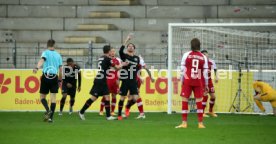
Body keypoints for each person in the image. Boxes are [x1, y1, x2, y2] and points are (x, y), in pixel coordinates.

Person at [78, 45, 122, 121]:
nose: (112, 52)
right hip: (101, 80)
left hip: (101, 79)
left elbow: (106, 67)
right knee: (94, 98)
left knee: (105, 97)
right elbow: (117, 68)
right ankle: (81, 111)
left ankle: (108, 116)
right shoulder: (108, 58)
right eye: (111, 51)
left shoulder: (101, 58)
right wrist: (123, 64)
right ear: (108, 51)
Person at [175, 38, 208, 129]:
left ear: (191, 45)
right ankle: (200, 123)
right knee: (199, 102)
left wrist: (182, 80)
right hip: (198, 81)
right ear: (199, 45)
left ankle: (184, 123)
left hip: (188, 80)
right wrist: (206, 84)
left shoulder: (186, 55)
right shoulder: (203, 56)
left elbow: (182, 70)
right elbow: (205, 72)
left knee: (185, 101)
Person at [33, 39, 63, 123]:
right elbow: (61, 70)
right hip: (54, 77)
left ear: (47, 45)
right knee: (53, 98)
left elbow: (42, 60)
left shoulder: (45, 53)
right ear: (54, 45)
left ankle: (47, 109)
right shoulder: (58, 55)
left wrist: (37, 68)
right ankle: (50, 118)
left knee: (42, 97)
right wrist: (60, 80)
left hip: (46, 76)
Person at [117, 34, 140, 120]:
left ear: (134, 49)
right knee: (122, 97)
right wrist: (127, 39)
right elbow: (120, 50)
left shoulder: (137, 58)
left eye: (132, 46)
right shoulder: (124, 56)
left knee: (135, 98)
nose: (130, 47)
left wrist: (139, 78)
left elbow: (138, 69)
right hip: (125, 80)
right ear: (127, 48)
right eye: (129, 46)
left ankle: (127, 107)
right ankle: (119, 114)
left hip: (133, 81)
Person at [124, 55, 155, 119]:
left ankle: (140, 113)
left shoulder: (139, 59)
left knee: (136, 96)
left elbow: (145, 68)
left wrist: (150, 77)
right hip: (130, 79)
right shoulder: (127, 58)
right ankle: (128, 111)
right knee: (130, 96)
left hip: (136, 79)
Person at [99, 48, 121, 116]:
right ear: (109, 52)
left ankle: (112, 111)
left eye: (114, 51)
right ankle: (101, 110)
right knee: (105, 95)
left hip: (115, 80)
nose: (112, 52)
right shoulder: (107, 59)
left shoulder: (118, 60)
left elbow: (119, 71)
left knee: (114, 95)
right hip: (107, 79)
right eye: (111, 51)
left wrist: (118, 79)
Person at [201, 50, 218, 117]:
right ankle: (202, 112)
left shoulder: (211, 61)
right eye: (203, 55)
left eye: (205, 54)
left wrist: (216, 77)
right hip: (203, 81)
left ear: (207, 54)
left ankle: (210, 111)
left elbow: (215, 69)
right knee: (205, 96)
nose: (204, 55)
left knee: (213, 96)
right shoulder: (201, 62)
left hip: (209, 81)